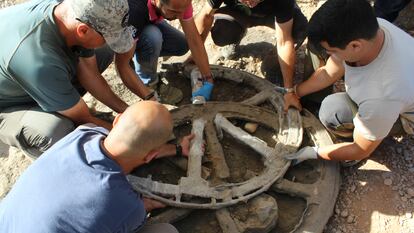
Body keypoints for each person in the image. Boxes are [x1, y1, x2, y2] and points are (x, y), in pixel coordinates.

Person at [0, 101, 195, 233]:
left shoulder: (83, 134)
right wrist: (143, 205)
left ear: (117, 120)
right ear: (150, 155)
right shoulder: (128, 206)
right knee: (165, 231)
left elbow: (130, 146)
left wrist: (176, 149)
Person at [0, 0, 152, 159]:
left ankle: (59, 101)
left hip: (28, 77)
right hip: (7, 105)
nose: (111, 41)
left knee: (104, 52)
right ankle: (52, 162)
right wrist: (136, 139)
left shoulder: (71, 11)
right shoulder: (38, 62)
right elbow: (84, 118)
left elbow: (90, 74)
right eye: (109, 37)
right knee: (56, 130)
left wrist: (128, 113)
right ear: (83, 30)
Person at [284, 0, 414, 164]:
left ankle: (350, 146)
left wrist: (312, 152)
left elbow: (361, 149)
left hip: (405, 114)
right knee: (318, 46)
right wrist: (294, 92)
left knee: (333, 111)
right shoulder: (375, 27)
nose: (328, 54)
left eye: (332, 51)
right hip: (399, 88)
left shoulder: (382, 96)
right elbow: (329, 71)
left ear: (355, 46)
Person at [195, 0, 308, 111]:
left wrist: (288, 90)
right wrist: (195, 53)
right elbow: (205, 14)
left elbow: (285, 41)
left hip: (272, 12)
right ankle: (236, 32)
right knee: (222, 33)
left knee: (298, 31)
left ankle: (274, 61)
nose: (251, 3)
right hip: (240, 12)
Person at [126, 0, 214, 102]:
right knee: (153, 37)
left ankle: (143, 53)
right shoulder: (135, 10)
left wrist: (207, 77)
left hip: (145, 20)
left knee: (181, 44)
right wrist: (148, 96)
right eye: (174, 11)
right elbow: (122, 64)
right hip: (126, 30)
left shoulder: (181, 3)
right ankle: (150, 84)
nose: (180, 16)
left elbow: (193, 40)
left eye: (182, 11)